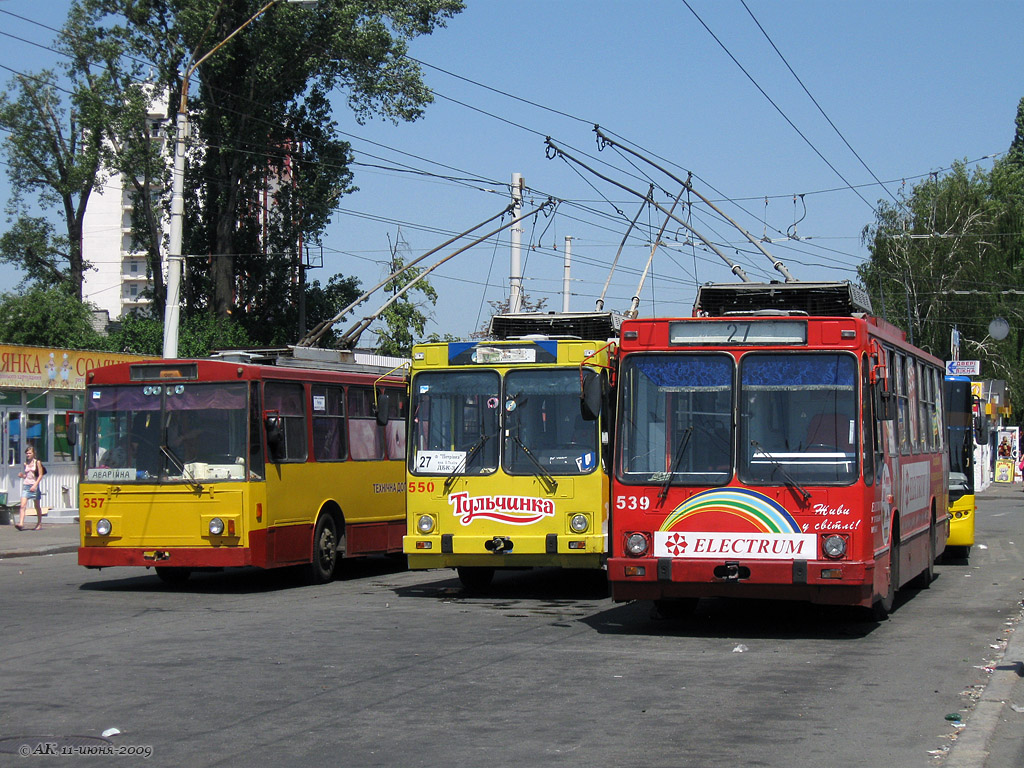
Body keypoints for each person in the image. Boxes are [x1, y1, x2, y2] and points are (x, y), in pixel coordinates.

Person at [16, 444, 44, 531]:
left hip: (34, 486)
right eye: (27, 453)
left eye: (30, 453)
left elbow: (40, 475)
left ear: (33, 454)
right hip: (26, 486)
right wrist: (22, 476)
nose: (28, 455)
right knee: (22, 505)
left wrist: (35, 485)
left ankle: (39, 523)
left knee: (37, 506)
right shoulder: (26, 463)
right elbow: (27, 475)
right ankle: (21, 523)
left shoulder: (37, 462)